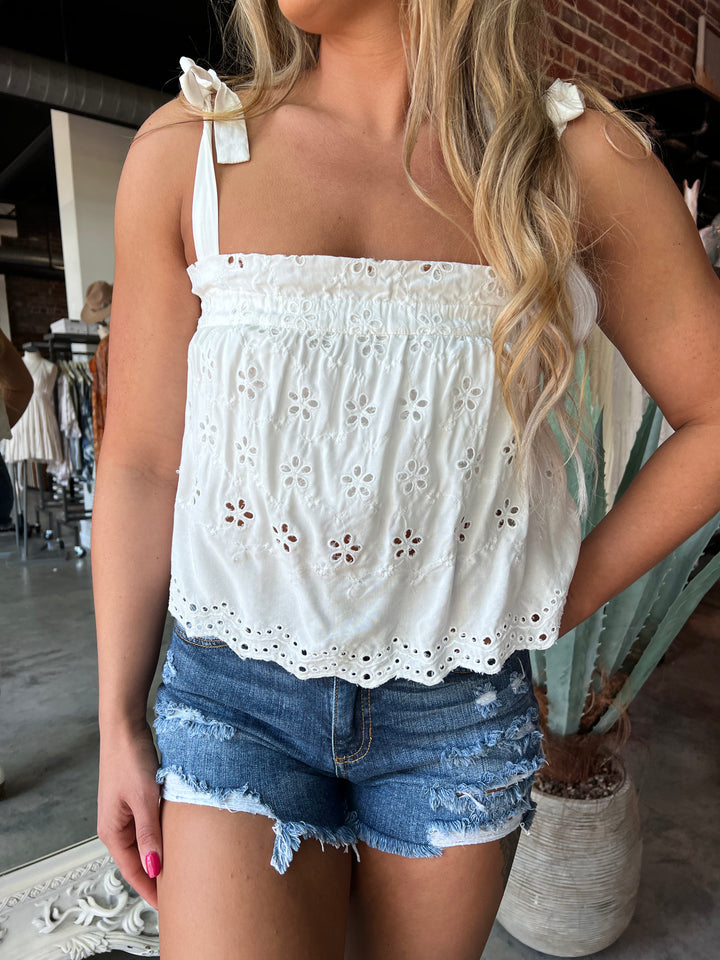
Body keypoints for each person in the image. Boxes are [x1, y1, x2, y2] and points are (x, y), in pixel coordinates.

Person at [93, 2, 720, 958]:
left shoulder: (571, 161)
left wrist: (564, 595)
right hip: (236, 700)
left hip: (455, 715)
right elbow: (142, 460)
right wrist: (117, 720)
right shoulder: (190, 151)